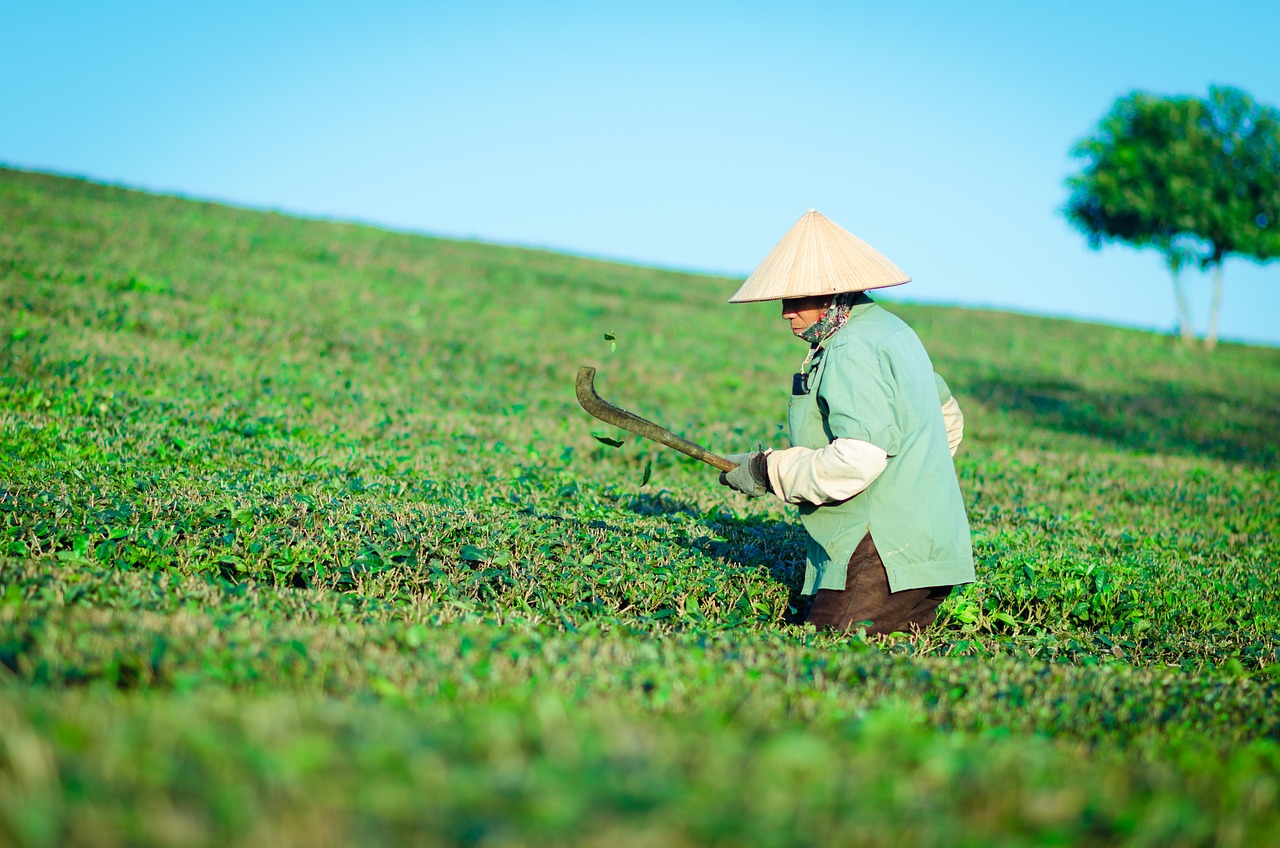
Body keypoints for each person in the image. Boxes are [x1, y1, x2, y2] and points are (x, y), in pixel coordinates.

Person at [717, 210, 974, 636]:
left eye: (796, 298)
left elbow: (858, 457)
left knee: (824, 667)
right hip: (927, 548)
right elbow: (946, 417)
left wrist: (768, 470)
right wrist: (909, 487)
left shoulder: (850, 347)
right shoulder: (893, 332)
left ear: (830, 293)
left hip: (880, 555)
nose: (785, 312)